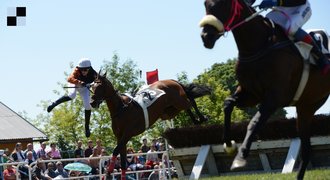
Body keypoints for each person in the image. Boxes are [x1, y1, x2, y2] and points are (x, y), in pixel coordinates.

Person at [253, 0, 330, 74]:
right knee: (266, 23)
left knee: (291, 28)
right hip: (282, 7)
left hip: (300, 6)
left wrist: (277, 2)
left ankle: (320, 56)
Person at [46, 58, 98, 137]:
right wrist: (80, 82)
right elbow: (69, 79)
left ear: (89, 68)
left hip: (84, 88)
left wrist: (93, 85)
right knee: (72, 95)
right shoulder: (76, 70)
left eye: (85, 70)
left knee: (88, 106)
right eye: (82, 70)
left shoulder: (93, 73)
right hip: (74, 84)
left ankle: (87, 127)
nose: (83, 71)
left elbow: (98, 81)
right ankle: (54, 104)